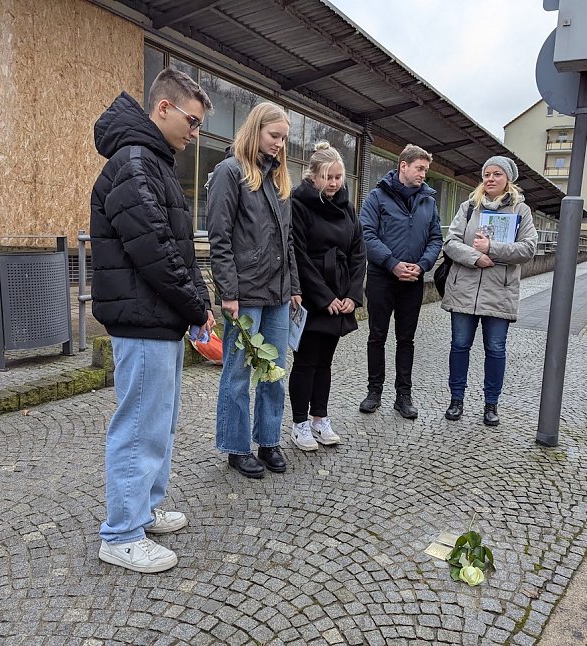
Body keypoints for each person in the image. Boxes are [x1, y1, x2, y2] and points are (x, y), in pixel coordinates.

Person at [90, 68, 215, 573]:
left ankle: (141, 511)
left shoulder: (152, 160)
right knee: (139, 424)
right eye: (192, 120)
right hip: (142, 317)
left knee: (156, 423)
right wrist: (194, 305)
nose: (197, 132)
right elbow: (156, 252)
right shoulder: (135, 162)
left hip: (157, 316)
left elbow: (175, 246)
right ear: (162, 108)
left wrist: (197, 299)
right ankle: (120, 534)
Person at [208, 102, 301, 479]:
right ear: (255, 131)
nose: (279, 144)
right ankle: (235, 446)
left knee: (275, 370)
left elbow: (288, 240)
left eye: (284, 138)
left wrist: (293, 286)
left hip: (278, 294)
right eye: (273, 136)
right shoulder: (230, 173)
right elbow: (220, 238)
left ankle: (269, 440)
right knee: (238, 373)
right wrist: (228, 292)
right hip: (244, 294)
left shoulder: (280, 181)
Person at [440, 156, 537, 426]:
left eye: (496, 174)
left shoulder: (521, 211)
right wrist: (475, 257)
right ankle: (456, 400)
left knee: (495, 348)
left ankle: (491, 404)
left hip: (499, 291)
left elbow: (528, 248)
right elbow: (450, 243)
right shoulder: (469, 207)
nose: (490, 179)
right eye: (486, 174)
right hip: (465, 290)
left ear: (508, 179)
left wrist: (492, 249)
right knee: (459, 346)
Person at [288, 142, 366, 451]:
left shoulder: (347, 206)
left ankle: (320, 417)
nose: (334, 184)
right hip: (312, 295)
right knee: (306, 361)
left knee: (325, 362)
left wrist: (351, 295)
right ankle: (300, 424)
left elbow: (358, 251)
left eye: (338, 177)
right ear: (313, 176)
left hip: (340, 291)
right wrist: (323, 296)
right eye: (328, 177)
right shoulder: (299, 203)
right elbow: (299, 254)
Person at [358, 144, 443, 419]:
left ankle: (403, 396)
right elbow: (366, 234)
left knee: (406, 339)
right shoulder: (377, 197)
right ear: (403, 166)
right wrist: (392, 264)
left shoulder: (428, 201)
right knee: (377, 336)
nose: (423, 175)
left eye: (426, 170)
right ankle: (374, 391)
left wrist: (422, 266)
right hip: (382, 277)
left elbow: (435, 239)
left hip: (413, 280)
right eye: (420, 168)